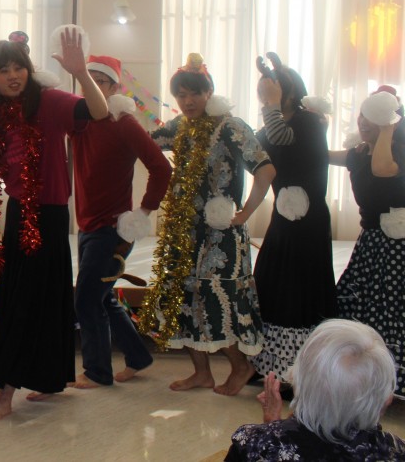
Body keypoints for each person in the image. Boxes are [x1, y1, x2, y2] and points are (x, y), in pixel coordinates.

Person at [0, 27, 109, 425]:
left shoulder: (49, 101)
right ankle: (32, 382)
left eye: (19, 67)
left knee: (43, 299)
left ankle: (15, 390)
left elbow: (98, 112)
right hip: (20, 213)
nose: (13, 76)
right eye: (3, 70)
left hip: (51, 214)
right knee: (20, 301)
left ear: (28, 69)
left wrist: (80, 72)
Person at [144, 53, 275, 396]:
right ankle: (201, 373)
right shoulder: (180, 127)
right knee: (183, 298)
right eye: (181, 95)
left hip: (221, 234)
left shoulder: (230, 126)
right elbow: (146, 143)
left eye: (195, 94)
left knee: (218, 300)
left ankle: (241, 366)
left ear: (209, 92)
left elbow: (265, 170)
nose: (188, 101)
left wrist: (245, 213)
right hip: (185, 229)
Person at [69, 54, 172, 388]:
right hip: (86, 224)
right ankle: (138, 357)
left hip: (112, 229)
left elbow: (161, 168)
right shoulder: (79, 120)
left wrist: (143, 213)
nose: (92, 87)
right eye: (87, 81)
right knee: (103, 297)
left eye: (100, 81)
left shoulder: (123, 122)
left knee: (87, 299)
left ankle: (97, 371)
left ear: (114, 88)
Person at [249, 54, 336, 384]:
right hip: (283, 217)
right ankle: (269, 365)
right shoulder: (270, 124)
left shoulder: (309, 121)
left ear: (290, 91)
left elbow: (281, 138)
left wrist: (271, 104)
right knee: (270, 280)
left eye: (272, 88)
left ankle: (301, 371)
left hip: (308, 220)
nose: (265, 93)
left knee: (299, 287)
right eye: (263, 89)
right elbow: (255, 153)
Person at [225, 319, 405, 460]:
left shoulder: (254, 443)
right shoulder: (394, 451)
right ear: (385, 400)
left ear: (297, 381)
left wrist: (273, 428)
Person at [329, 85, 405, 399]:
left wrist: (388, 126)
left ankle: (391, 381)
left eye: (372, 116)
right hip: (370, 242)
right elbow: (320, 155)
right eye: (362, 114)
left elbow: (383, 169)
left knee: (392, 309)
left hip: (397, 246)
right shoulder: (359, 154)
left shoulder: (398, 150)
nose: (362, 122)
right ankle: (355, 375)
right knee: (355, 302)